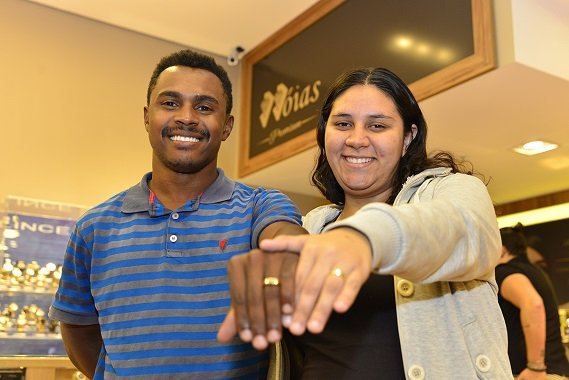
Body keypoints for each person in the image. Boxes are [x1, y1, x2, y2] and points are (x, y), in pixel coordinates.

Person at [218, 67, 514, 379]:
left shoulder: (450, 191)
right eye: (343, 124)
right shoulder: (313, 226)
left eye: (377, 125)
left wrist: (363, 239)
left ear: (407, 138)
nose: (357, 139)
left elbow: (461, 232)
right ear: (324, 135)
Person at [48, 49, 305, 380]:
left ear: (226, 126)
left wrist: (290, 258)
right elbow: (78, 330)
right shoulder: (93, 228)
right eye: (170, 103)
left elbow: (287, 239)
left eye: (204, 107)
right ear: (146, 117)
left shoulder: (261, 206)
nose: (187, 117)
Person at [497, 223, 569, 379]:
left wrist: (535, 368)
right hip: (556, 370)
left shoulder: (505, 272)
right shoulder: (536, 272)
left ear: (502, 250)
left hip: (537, 375)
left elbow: (534, 305)